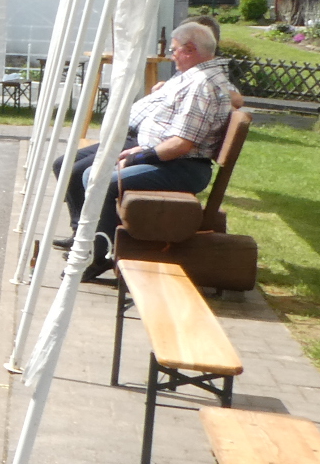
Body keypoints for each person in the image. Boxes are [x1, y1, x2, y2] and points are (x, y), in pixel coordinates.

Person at [54, 21, 234, 282]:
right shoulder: (198, 76)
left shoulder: (201, 85)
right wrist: (142, 148)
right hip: (172, 159)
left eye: (174, 50)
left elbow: (181, 145)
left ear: (190, 49)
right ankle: (91, 243)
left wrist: (137, 156)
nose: (171, 55)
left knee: (99, 179)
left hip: (182, 167)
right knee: (85, 172)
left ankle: (101, 255)